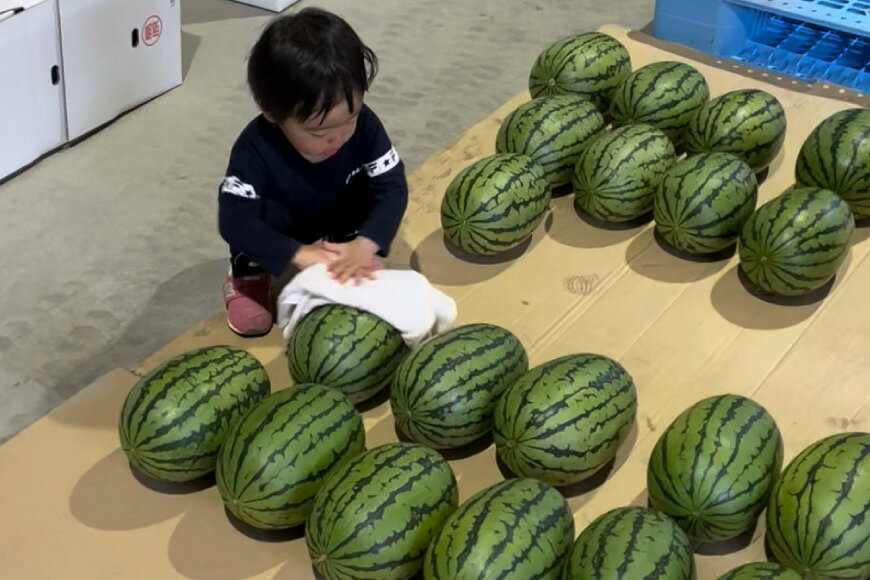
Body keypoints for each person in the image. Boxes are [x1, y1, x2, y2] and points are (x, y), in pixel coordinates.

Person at [216, 7, 409, 337]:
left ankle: (345, 253)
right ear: (271, 113)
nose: (338, 138)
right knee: (251, 225)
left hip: (334, 213)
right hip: (282, 222)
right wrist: (297, 253)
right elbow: (234, 220)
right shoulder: (254, 150)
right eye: (318, 132)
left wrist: (368, 242)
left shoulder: (365, 126)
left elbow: (392, 186)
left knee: (367, 189)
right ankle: (247, 277)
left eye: (350, 119)